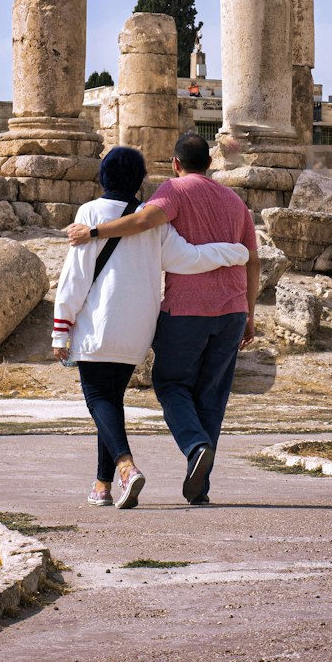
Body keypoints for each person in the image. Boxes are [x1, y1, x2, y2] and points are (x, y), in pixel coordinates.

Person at [53, 144, 250, 511]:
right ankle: (102, 485)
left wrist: (60, 329)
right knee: (111, 401)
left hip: (100, 326)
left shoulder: (90, 214)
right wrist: (235, 252)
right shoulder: (152, 220)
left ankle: (126, 468)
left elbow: (74, 279)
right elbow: (189, 258)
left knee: (98, 400)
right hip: (138, 331)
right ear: (142, 179)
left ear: (103, 176)